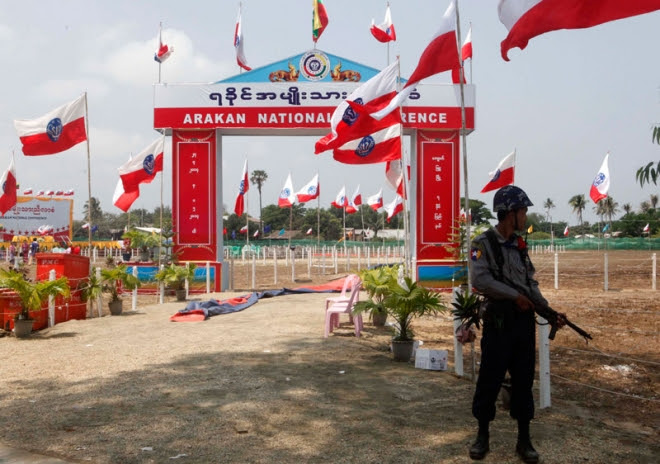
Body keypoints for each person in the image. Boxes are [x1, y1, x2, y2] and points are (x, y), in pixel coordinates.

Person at [467, 185, 565, 463]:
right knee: (490, 378)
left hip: (523, 323)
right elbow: (481, 281)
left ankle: (524, 439)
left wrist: (546, 309)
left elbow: (529, 283)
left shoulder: (520, 247)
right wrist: (515, 297)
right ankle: (482, 435)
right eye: (523, 211)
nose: (525, 216)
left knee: (523, 380)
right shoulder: (482, 244)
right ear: (510, 213)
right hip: (499, 321)